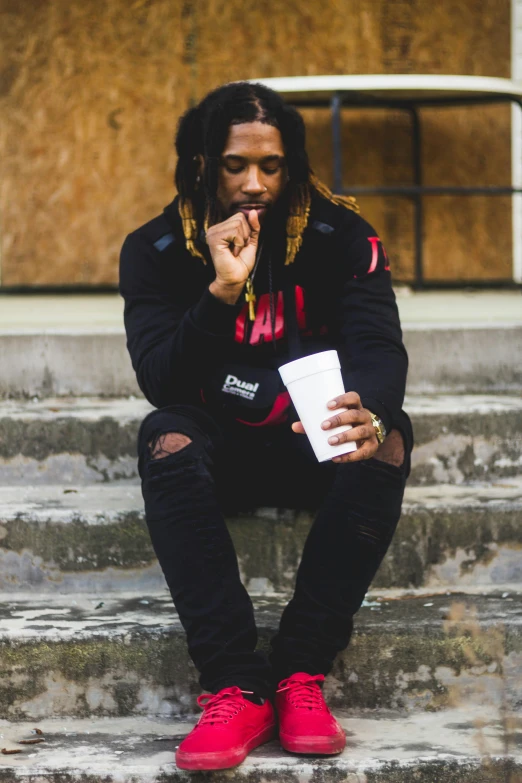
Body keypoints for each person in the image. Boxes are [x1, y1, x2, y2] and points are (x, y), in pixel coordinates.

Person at [119, 81, 413, 771]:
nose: (254, 182)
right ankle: (235, 683)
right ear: (202, 164)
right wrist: (221, 293)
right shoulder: (156, 250)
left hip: (311, 447)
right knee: (165, 436)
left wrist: (368, 407)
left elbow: (379, 345)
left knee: (391, 435)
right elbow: (160, 377)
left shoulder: (343, 237)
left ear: (293, 164)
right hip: (216, 446)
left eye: (272, 165)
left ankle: (299, 673)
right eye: (234, 164)